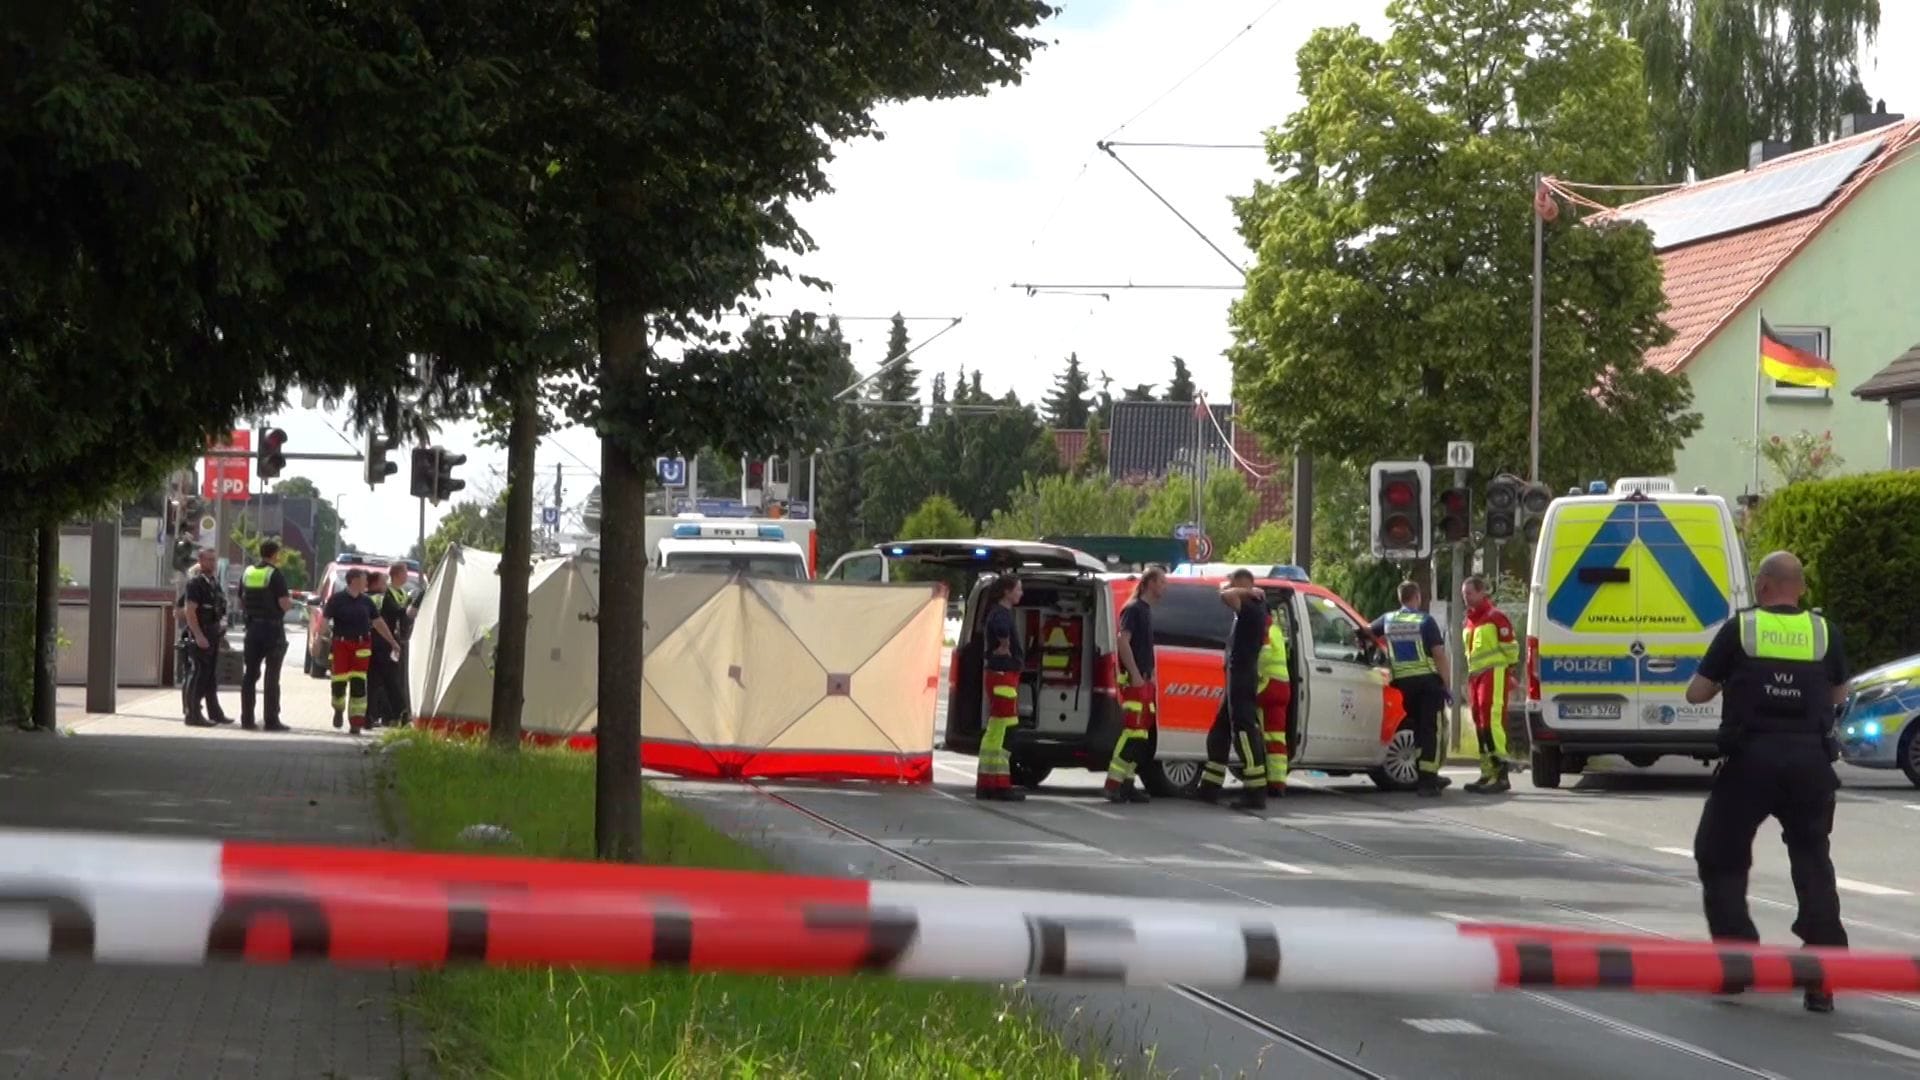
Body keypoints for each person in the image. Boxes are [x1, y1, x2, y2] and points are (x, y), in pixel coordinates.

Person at [1685, 550, 1849, 1014]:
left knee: (1719, 854)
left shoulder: (1742, 628)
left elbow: (1696, 691)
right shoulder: (1823, 631)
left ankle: (1738, 964)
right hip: (1810, 763)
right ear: (1801, 588)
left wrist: (1731, 682)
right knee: (1812, 859)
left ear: (1762, 588)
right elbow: (1839, 694)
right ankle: (1823, 978)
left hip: (1751, 760)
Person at [1196, 569, 1269, 811]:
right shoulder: (1247, 608)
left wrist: (1244, 590)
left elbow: (1225, 595)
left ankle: (1255, 791)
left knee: (1244, 733)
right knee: (1220, 733)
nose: (1230, 587)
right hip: (1236, 676)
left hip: (1243, 676)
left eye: (1234, 584)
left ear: (1245, 586)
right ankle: (1210, 787)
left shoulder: (1252, 607)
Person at [1370, 581, 1451, 797]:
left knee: (1416, 730)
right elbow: (1439, 654)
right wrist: (1447, 683)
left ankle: (1420, 774)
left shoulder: (1388, 619)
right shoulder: (1425, 621)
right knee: (1431, 730)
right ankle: (1428, 781)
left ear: (1400, 598)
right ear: (1417, 597)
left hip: (1404, 686)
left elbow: (1366, 631)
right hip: (1428, 684)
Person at [1105, 565, 1168, 805]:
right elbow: (1123, 641)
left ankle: (1128, 784)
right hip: (1134, 681)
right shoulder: (1134, 609)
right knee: (1133, 734)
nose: (1165, 587)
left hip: (1144, 680)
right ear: (1150, 583)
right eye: (1162, 582)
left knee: (1141, 737)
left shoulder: (1145, 610)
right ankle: (1114, 784)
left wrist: (1149, 674)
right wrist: (1134, 673)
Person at [323, 568, 402, 735]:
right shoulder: (337, 600)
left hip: (361, 646)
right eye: (364, 579)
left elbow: (379, 623)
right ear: (353, 580)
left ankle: (356, 723)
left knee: (359, 685)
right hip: (341, 645)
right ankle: (338, 709)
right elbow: (324, 621)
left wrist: (393, 642)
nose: (367, 583)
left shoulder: (367, 602)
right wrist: (317, 639)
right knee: (339, 683)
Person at [1460, 575, 1519, 794]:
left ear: (1481, 592)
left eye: (1469, 593)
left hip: (1494, 673)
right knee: (1479, 721)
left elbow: (1511, 647)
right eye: (1463, 594)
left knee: (1491, 719)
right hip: (1476, 676)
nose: (1466, 598)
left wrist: (1510, 671)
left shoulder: (1495, 617)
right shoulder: (1469, 620)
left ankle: (1501, 773)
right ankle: (1487, 772)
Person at [977, 575, 1027, 802]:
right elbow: (1000, 629)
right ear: (1007, 592)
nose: (1021, 593)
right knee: (1006, 729)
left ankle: (990, 782)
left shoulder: (997, 612)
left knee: (997, 728)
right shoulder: (1000, 614)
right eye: (1018, 589)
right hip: (1003, 676)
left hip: (1000, 676)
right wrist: (1004, 645)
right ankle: (999, 784)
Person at [238, 540, 294, 732]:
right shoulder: (275, 575)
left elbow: (241, 600)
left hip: (252, 629)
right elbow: (284, 603)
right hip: (272, 630)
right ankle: (271, 720)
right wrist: (289, 604)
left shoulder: (248, 572)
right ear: (275, 554)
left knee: (250, 675)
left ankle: (247, 719)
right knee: (272, 676)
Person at [178, 548, 231, 728]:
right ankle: (193, 714)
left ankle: (214, 712)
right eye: (208, 560)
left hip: (213, 633)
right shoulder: (195, 584)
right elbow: (190, 612)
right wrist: (198, 635)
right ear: (200, 560)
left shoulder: (213, 582)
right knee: (199, 674)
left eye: (214, 560)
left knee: (209, 676)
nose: (212, 563)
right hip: (201, 633)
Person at [1254, 599, 1292, 798]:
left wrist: (1253, 670)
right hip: (1283, 687)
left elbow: (1265, 655)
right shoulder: (1276, 629)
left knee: (1259, 736)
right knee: (1277, 737)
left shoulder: (1264, 627)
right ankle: (1278, 782)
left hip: (1266, 686)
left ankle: (1259, 778)